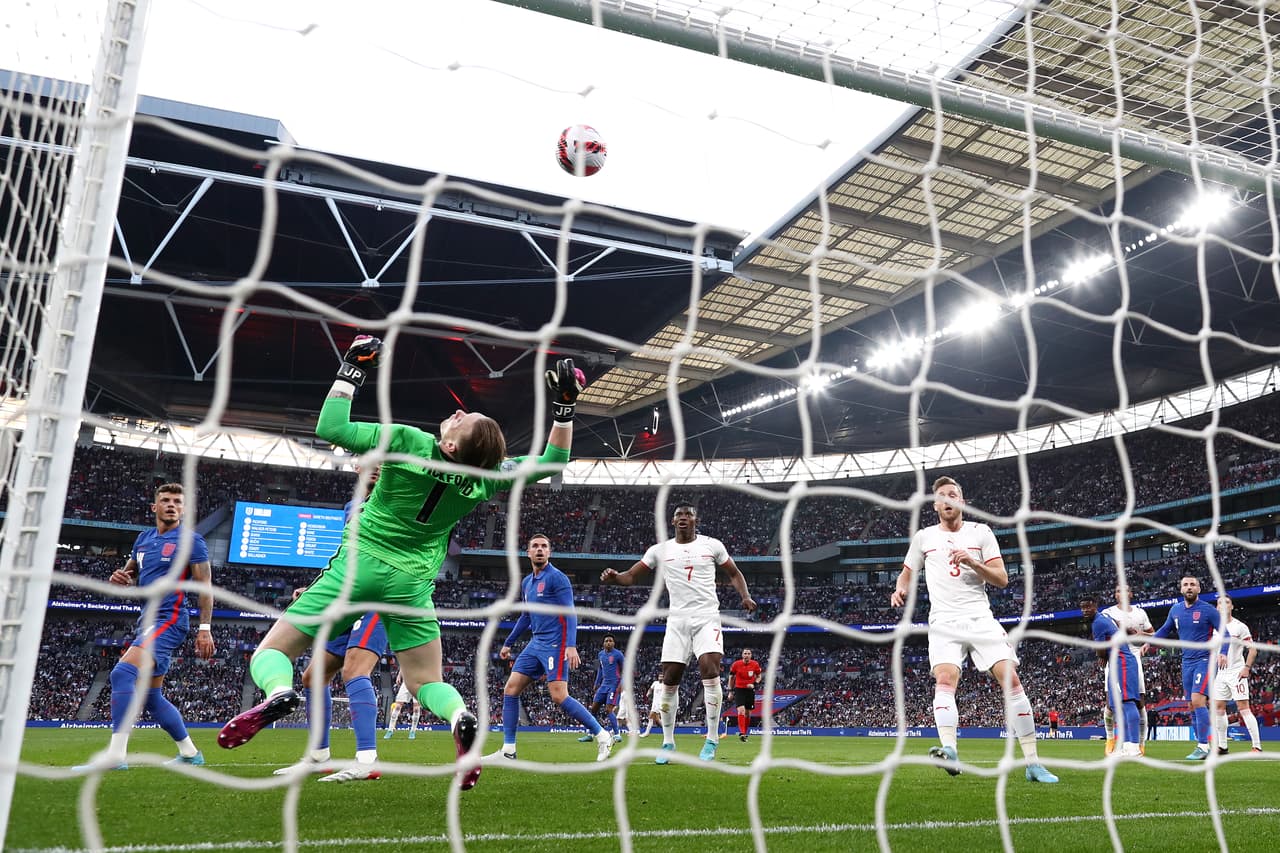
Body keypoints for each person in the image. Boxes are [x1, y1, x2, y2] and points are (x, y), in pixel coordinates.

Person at [218, 334, 585, 793]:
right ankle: (460, 715)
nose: (455, 412)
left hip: (358, 567)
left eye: (461, 419)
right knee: (424, 679)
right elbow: (554, 460)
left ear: (451, 445)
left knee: (272, 652)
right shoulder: (489, 477)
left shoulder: (407, 440)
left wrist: (353, 368)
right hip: (411, 584)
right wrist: (565, 406)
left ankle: (277, 693)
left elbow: (331, 429)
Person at [890, 476, 1058, 783]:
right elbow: (907, 573)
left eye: (953, 493)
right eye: (941, 495)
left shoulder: (981, 532)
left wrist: (972, 562)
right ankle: (950, 751)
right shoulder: (924, 537)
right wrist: (900, 590)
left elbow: (1002, 579)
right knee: (945, 677)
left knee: (1011, 679)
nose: (947, 499)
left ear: (962, 502)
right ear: (935, 505)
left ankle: (1033, 763)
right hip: (944, 622)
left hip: (981, 619)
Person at [601, 503, 757, 764]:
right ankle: (668, 742)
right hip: (677, 622)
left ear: (696, 520)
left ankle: (711, 739)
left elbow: (733, 572)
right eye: (678, 515)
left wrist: (746, 595)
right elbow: (631, 576)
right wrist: (615, 577)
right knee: (669, 680)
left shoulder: (712, 545)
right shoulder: (660, 550)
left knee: (710, 668)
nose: (683, 518)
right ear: (672, 522)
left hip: (707, 618)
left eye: (688, 514)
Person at [75, 483, 214, 770]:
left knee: (122, 673)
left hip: (170, 619)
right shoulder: (143, 539)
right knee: (151, 697)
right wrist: (121, 576)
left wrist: (205, 628)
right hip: (147, 622)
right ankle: (190, 753)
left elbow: (206, 587)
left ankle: (115, 756)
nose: (172, 505)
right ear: (155, 507)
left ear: (184, 509)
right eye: (165, 500)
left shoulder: (192, 541)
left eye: (177, 501)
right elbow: (129, 571)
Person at [275, 465, 389, 782]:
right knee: (313, 677)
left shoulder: (396, 501)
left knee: (355, 669)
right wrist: (315, 588)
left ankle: (367, 760)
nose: (377, 468)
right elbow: (345, 555)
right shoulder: (351, 508)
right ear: (359, 468)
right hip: (345, 597)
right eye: (372, 461)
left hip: (378, 595)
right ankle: (318, 756)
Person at [488, 534, 614, 762]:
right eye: (535, 546)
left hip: (555, 643)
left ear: (549, 552)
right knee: (511, 689)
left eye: (544, 546)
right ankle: (508, 749)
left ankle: (603, 735)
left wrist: (571, 645)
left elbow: (570, 612)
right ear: (528, 552)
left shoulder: (558, 578)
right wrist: (508, 642)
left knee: (558, 695)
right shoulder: (527, 583)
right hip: (536, 643)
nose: (539, 550)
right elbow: (526, 616)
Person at [1151, 575, 1227, 761]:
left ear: (1199, 589)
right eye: (1186, 584)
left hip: (1205, 660)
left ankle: (1203, 745)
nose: (1189, 587)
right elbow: (1165, 629)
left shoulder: (1208, 610)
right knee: (1191, 705)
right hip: (1186, 662)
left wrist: (1223, 652)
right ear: (1181, 589)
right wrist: (1149, 642)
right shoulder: (1175, 610)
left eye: (1193, 584)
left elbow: (1225, 633)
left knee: (1198, 700)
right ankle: (1201, 744)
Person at [1080, 594, 1142, 757]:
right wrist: (1127, 629)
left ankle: (1134, 746)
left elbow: (1102, 647)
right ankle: (1124, 745)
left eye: (1088, 606)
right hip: (1116, 664)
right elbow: (1117, 622)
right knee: (1115, 705)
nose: (1085, 610)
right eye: (1083, 607)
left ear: (1095, 605)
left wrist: (1101, 656)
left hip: (1122, 662)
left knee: (1127, 702)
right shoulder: (1105, 616)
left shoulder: (1098, 623)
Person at [1100, 583, 1154, 754]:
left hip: (1135, 658)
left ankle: (1140, 743)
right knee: (1111, 704)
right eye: (1117, 591)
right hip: (1115, 658)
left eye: (1124, 590)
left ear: (1131, 594)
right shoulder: (1108, 613)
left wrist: (1147, 642)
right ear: (1115, 595)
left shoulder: (1140, 613)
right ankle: (1110, 738)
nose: (1121, 593)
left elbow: (1153, 633)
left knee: (1139, 703)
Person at [1211, 595, 1262, 754]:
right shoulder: (1213, 627)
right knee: (1219, 708)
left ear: (1231, 606)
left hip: (1236, 672)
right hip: (1221, 674)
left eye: (1227, 602)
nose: (1223, 605)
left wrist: (1246, 667)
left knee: (1243, 708)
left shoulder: (1239, 627)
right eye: (1220, 603)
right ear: (1217, 608)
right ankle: (1223, 746)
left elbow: (1252, 649)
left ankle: (1257, 746)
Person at [578, 634, 624, 743]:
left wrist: (621, 684)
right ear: (603, 643)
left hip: (614, 685)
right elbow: (600, 669)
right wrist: (596, 682)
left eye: (610, 641)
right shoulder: (601, 654)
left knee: (608, 709)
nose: (608, 642)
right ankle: (590, 734)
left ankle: (617, 734)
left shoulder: (618, 655)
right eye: (606, 641)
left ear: (614, 643)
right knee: (593, 709)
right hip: (603, 685)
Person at [729, 648, 762, 742]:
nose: (747, 655)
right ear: (742, 655)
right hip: (739, 690)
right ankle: (742, 732)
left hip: (750, 691)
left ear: (751, 655)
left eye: (748, 653)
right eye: (745, 653)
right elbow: (731, 677)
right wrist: (730, 691)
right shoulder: (736, 664)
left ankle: (745, 733)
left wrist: (754, 684)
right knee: (741, 710)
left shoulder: (755, 664)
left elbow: (759, 676)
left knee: (748, 713)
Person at [384, 668, 423, 740]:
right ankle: (390, 730)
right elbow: (403, 663)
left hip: (419, 683)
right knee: (397, 706)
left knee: (416, 709)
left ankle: (412, 731)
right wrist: (399, 675)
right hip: (406, 682)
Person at [640, 673, 665, 737]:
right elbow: (650, 689)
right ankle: (666, 731)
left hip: (660, 703)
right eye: (659, 676)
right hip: (654, 703)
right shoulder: (655, 683)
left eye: (662, 677)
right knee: (657, 719)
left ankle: (647, 733)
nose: (660, 677)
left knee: (651, 716)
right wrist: (648, 693)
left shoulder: (664, 685)